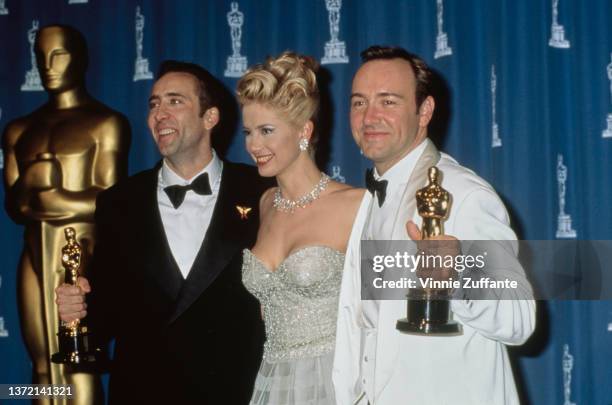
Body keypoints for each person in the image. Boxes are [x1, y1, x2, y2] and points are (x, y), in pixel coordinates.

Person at [55, 61, 272, 404]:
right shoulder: (118, 203)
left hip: (237, 391)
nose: (159, 114)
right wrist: (79, 307)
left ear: (210, 117)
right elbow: (104, 314)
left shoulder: (261, 191)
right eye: (154, 104)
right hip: (144, 392)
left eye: (175, 101)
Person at [332, 46, 536, 405]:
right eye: (359, 102)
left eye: (388, 102)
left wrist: (455, 275)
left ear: (424, 110)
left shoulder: (464, 195)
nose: (369, 116)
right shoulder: (367, 201)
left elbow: (519, 317)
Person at [2, 24, 130, 404]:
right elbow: (15, 207)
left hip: (82, 253)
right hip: (34, 256)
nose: (47, 65)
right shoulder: (18, 131)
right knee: (41, 365)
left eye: (58, 54)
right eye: (40, 56)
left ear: (80, 58)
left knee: (80, 362)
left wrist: (50, 192)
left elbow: (109, 200)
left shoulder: (105, 124)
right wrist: (34, 186)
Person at [237, 52, 363, 405]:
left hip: (336, 383)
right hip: (272, 382)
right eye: (248, 132)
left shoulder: (355, 204)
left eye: (266, 131)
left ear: (304, 131)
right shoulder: (264, 204)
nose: (253, 145)